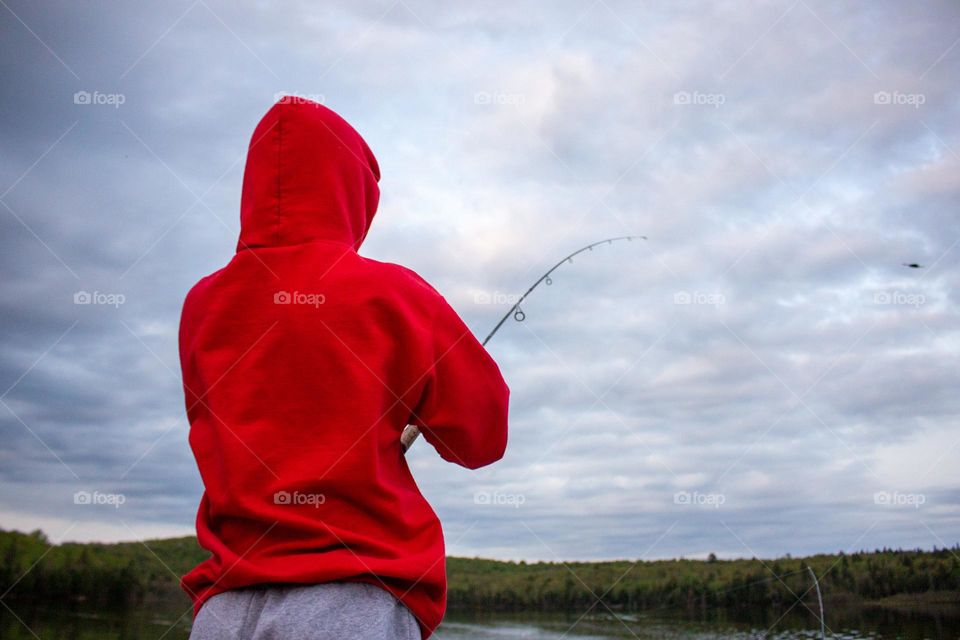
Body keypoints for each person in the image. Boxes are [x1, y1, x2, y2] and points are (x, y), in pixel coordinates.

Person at [179, 96, 510, 639]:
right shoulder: (394, 293)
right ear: (351, 191)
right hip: (352, 597)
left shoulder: (200, 306)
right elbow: (482, 437)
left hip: (223, 606)